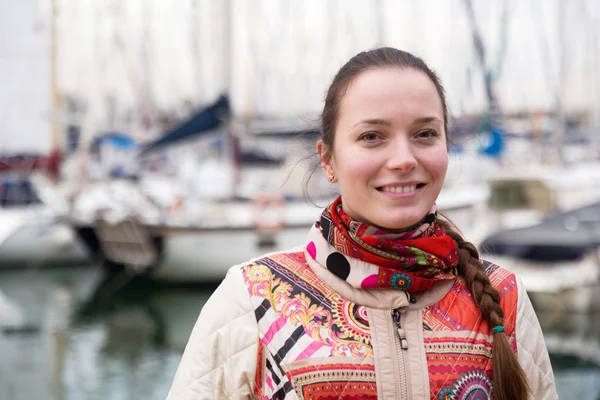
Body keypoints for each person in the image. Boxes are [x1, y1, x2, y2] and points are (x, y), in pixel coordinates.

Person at [165, 47, 557, 400]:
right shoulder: (253, 298)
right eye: (372, 136)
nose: (403, 158)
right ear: (328, 159)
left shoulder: (504, 297)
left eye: (425, 133)